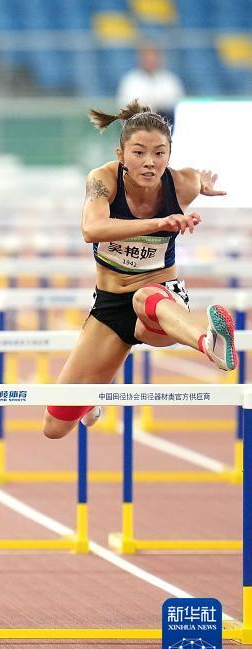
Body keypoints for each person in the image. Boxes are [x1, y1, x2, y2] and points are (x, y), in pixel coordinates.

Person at [43, 101, 232, 440]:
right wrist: (159, 222)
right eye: (139, 152)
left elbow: (194, 181)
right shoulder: (102, 180)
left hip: (160, 303)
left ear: (170, 153)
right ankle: (90, 400)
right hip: (110, 307)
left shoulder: (182, 184)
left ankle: (208, 342)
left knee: (145, 297)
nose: (149, 162)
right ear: (120, 154)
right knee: (55, 427)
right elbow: (92, 229)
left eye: (160, 153)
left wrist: (201, 184)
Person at [116, 43, 185, 125]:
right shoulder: (131, 80)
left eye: (153, 56)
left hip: (166, 126)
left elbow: (176, 103)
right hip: (138, 127)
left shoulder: (170, 80)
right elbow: (125, 106)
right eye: (147, 56)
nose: (150, 59)